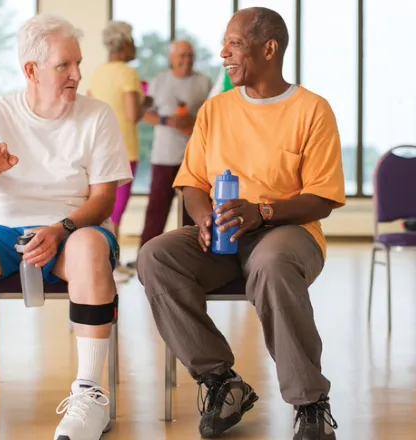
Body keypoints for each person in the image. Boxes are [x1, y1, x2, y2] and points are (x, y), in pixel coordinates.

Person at [137, 7, 344, 440]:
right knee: (156, 255)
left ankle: (310, 403)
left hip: (288, 234)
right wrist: (204, 219)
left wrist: (263, 212)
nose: (223, 53)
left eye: (234, 43)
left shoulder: (312, 110)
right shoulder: (216, 111)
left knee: (270, 263)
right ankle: (222, 382)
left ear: (268, 48)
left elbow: (322, 198)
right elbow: (192, 183)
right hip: (224, 235)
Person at [0, 14, 132, 440]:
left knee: (90, 249)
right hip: (5, 233)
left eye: (78, 64)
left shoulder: (97, 116)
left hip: (76, 231)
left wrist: (60, 229)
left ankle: (89, 393)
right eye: (65, 66)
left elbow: (103, 200)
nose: (77, 74)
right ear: (32, 71)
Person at [88, 21, 152, 280]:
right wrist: (146, 101)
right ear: (124, 44)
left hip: (99, 150)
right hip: (124, 150)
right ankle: (108, 265)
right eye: (133, 40)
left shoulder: (98, 72)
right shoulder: (127, 72)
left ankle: (108, 261)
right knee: (116, 208)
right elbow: (133, 114)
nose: (135, 45)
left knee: (103, 206)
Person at [135, 40, 212, 254]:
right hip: (164, 156)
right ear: (172, 58)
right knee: (156, 210)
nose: (186, 60)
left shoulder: (204, 82)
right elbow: (144, 114)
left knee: (193, 213)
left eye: (190, 55)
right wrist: (167, 121)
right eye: (182, 56)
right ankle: (145, 255)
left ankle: (193, 256)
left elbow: (215, 115)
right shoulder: (159, 81)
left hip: (194, 159)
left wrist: (193, 120)